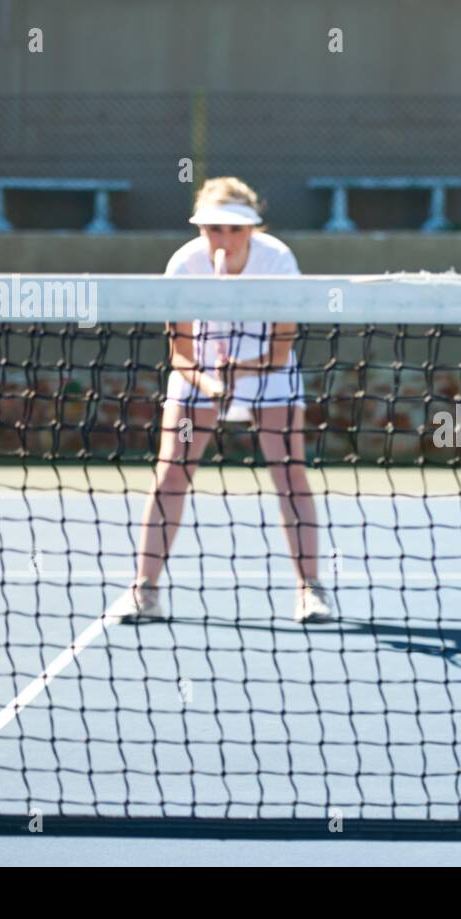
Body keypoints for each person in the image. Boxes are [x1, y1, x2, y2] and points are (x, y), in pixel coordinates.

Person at [105, 177, 333, 625]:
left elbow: (283, 349)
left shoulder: (278, 261)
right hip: (200, 378)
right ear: (200, 228)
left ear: (253, 228)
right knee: (171, 473)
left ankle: (310, 590)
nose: (224, 238)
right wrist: (212, 385)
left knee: (290, 475)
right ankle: (145, 591)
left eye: (235, 229)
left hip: (270, 376)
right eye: (214, 228)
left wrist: (242, 372)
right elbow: (180, 355)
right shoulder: (184, 265)